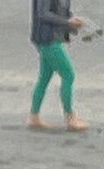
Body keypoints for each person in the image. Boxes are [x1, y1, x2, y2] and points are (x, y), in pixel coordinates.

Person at [29, 0, 89, 131]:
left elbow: (59, 10)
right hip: (47, 39)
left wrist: (71, 18)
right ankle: (70, 118)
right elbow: (43, 14)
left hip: (50, 38)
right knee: (68, 74)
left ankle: (34, 117)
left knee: (44, 77)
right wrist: (67, 22)